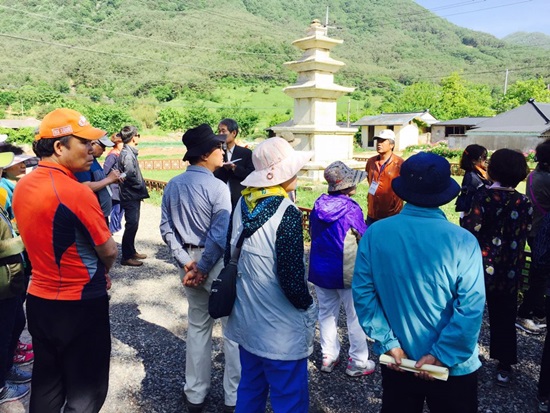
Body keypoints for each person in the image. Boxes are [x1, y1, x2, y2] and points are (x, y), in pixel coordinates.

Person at [353, 152, 486, 413]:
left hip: (398, 358)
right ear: (444, 192)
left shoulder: (376, 234)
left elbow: (363, 293)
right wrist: (441, 354)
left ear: (402, 190)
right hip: (453, 367)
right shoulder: (462, 240)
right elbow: (470, 307)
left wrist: (388, 342)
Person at [12, 108, 118, 413]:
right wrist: (103, 272)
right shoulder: (76, 192)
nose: (92, 149)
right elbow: (108, 250)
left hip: (39, 300)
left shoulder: (22, 186)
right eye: (83, 143)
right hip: (80, 302)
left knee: (47, 382)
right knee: (86, 391)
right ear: (59, 147)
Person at [225, 137, 317, 413]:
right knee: (289, 396)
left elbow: (230, 252)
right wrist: (308, 305)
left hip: (248, 319)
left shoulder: (243, 203)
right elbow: (291, 277)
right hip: (280, 328)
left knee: (250, 389)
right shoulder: (286, 212)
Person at [160, 124, 240, 413]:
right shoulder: (218, 187)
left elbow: (166, 229)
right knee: (231, 328)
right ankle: (233, 396)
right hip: (212, 263)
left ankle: (195, 393)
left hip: (188, 264)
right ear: (206, 154)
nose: (222, 151)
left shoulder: (173, 185)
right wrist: (203, 267)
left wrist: (186, 263)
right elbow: (219, 235)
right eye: (218, 147)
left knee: (198, 327)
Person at [462, 148, 532, 386]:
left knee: (469, 313)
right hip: (510, 269)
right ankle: (504, 366)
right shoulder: (524, 202)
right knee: (504, 316)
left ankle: (463, 357)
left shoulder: (482, 197)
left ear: (492, 170)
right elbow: (526, 233)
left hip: (479, 267)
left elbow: (471, 230)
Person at [308, 161, 374, 377]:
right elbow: (363, 235)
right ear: (346, 186)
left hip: (320, 269)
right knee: (355, 316)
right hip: (347, 270)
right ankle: (357, 361)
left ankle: (328, 356)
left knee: (326, 313)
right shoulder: (351, 208)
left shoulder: (318, 205)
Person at [0, 150, 32, 406]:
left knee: (14, 323)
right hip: (2, 283)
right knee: (5, 330)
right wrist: (23, 241)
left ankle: (7, 369)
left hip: (9, 278)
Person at [517, 139, 550, 334]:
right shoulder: (546, 179)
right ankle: (526, 313)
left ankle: (537, 310)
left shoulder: (533, 175)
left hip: (534, 228)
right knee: (540, 275)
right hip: (543, 232)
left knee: (540, 273)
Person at [117, 125, 149, 267]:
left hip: (131, 194)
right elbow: (129, 173)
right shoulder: (128, 154)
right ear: (134, 136)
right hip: (130, 195)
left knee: (133, 225)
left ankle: (131, 251)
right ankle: (126, 256)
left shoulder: (127, 152)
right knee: (131, 225)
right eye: (138, 135)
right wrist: (138, 186)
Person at [74, 135, 122, 226]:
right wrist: (109, 179)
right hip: (93, 214)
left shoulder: (94, 160)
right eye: (102, 146)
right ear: (92, 144)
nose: (104, 150)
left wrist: (113, 180)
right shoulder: (83, 163)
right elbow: (84, 186)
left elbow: (99, 181)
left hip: (101, 213)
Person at [364, 129, 404, 226]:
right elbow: (370, 181)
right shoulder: (371, 162)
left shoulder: (399, 164)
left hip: (391, 214)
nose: (379, 144)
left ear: (392, 145)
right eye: (378, 141)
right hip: (372, 212)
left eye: (382, 141)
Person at [214, 118, 254, 209]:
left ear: (234, 133)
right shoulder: (216, 152)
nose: (220, 134)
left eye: (223, 131)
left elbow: (251, 174)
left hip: (239, 198)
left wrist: (234, 168)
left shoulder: (245, 153)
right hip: (218, 198)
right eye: (219, 131)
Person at [455, 144, 491, 222]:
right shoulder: (471, 176)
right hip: (472, 215)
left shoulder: (480, 172)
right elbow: (468, 198)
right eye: (484, 157)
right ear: (474, 160)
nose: (486, 160)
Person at [104, 133, 125, 233]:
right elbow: (105, 171)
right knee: (115, 208)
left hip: (120, 186)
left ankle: (117, 227)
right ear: (117, 143)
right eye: (121, 143)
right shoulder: (112, 155)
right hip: (113, 186)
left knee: (121, 208)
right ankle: (113, 228)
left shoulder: (119, 155)